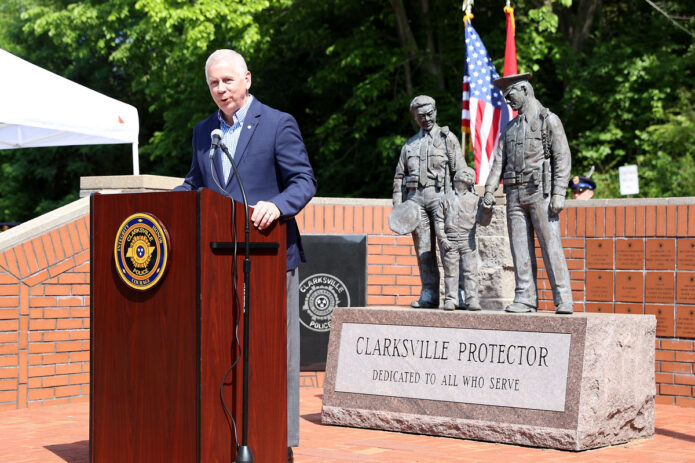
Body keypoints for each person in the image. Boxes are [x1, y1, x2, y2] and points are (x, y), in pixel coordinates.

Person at [174, 49, 317, 461]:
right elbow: (195, 183)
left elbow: (303, 180)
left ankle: (280, 441)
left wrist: (279, 205)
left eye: (228, 81)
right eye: (214, 83)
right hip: (218, 262)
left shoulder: (276, 123)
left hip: (270, 258)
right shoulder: (205, 131)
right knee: (224, 350)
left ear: (247, 79)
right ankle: (226, 434)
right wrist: (164, 206)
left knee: (274, 358)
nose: (221, 89)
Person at [482, 73, 573, 315]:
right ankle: (524, 297)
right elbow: (498, 163)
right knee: (519, 248)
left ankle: (563, 298)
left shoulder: (548, 120)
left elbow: (562, 157)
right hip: (514, 195)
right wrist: (490, 190)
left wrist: (559, 193)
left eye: (510, 95)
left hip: (539, 193)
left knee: (550, 244)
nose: (507, 100)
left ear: (524, 90)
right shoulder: (509, 129)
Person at [392, 95, 467, 308]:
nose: (426, 119)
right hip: (415, 201)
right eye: (421, 116)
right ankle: (429, 293)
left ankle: (455, 295)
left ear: (435, 111)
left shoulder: (448, 139)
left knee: (448, 247)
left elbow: (460, 171)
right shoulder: (409, 145)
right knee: (424, 251)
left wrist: (461, 199)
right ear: (415, 118)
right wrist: (398, 206)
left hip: (440, 198)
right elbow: (399, 177)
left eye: (429, 113)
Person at [434, 166, 482, 311]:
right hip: (450, 240)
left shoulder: (475, 199)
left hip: (468, 240)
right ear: (456, 178)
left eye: (470, 174)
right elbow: (438, 219)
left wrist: (487, 209)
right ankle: (451, 299)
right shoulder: (445, 198)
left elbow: (483, 220)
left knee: (470, 271)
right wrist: (442, 238)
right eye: (464, 172)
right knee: (451, 272)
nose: (467, 174)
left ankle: (471, 299)